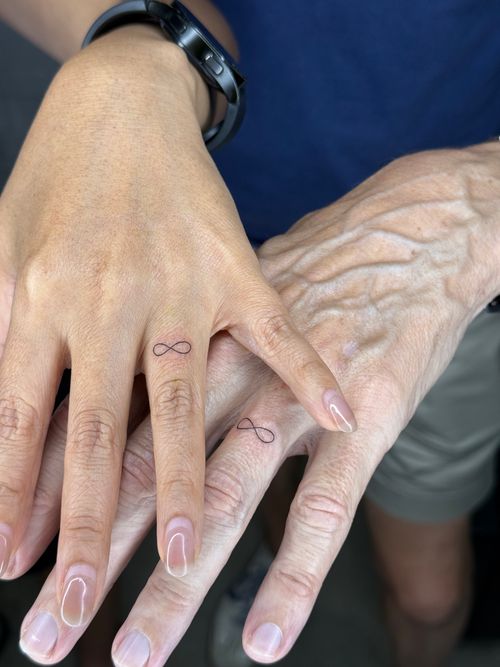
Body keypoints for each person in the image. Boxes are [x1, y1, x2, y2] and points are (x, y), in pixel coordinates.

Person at [1, 2, 500, 667]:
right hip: (191, 220)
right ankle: (268, 541)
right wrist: (138, 44)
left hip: (447, 264)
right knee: (225, 462)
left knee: (429, 594)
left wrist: (477, 200)